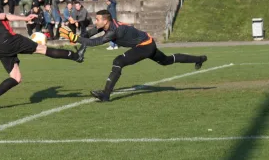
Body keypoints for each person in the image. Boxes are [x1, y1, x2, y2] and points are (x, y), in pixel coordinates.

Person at [0, 0, 86, 111]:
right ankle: (76, 56)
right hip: (9, 40)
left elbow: (7, 16)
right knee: (42, 49)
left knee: (16, 78)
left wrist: (25, 18)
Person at [59, 10, 207, 102]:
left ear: (106, 20)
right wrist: (76, 36)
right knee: (166, 60)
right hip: (147, 43)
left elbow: (96, 41)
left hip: (145, 46)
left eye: (97, 19)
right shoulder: (108, 25)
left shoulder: (114, 30)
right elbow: (89, 34)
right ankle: (199, 59)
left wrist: (75, 38)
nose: (95, 21)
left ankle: (106, 94)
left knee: (118, 61)